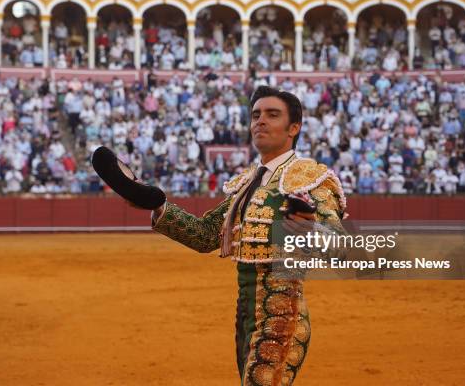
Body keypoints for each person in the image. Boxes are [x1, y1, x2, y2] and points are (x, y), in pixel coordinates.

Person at [148, 86, 347, 385]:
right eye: (256, 115)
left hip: (282, 317)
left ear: (294, 127)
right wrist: (158, 206)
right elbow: (204, 235)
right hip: (246, 318)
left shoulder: (309, 178)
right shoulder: (247, 183)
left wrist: (310, 232)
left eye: (272, 114)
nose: (260, 121)